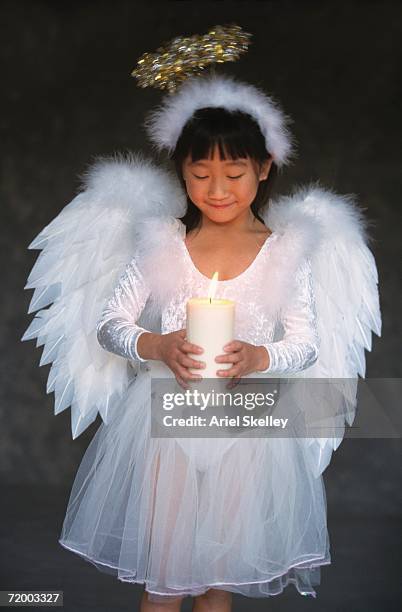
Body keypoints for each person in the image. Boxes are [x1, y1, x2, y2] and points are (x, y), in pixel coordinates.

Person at [21, 27, 381, 612]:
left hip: (247, 429)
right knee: (165, 578)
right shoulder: (162, 243)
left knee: (219, 579)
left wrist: (261, 356)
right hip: (170, 426)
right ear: (180, 171)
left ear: (264, 169)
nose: (217, 189)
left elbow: (306, 342)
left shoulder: (286, 250)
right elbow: (112, 323)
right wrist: (157, 345)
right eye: (200, 173)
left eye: (234, 174)